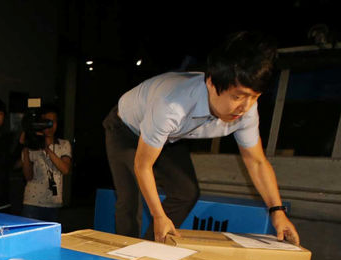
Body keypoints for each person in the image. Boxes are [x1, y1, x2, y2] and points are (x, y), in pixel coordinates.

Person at [103, 31, 300, 244]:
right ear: (211, 84)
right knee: (130, 201)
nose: (245, 107)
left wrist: (277, 211)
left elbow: (256, 161)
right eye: (237, 96)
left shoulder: (246, 110)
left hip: (169, 135)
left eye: (254, 97)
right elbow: (142, 165)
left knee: (186, 191)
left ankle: (152, 244)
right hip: (125, 129)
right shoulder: (172, 105)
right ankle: (124, 257)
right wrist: (158, 215)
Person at [21, 103, 72, 221]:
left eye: (53, 122)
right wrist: (25, 149)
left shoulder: (63, 144)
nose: (50, 126)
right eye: (46, 122)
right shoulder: (31, 145)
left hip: (53, 203)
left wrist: (46, 148)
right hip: (32, 203)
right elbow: (28, 176)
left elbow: (65, 169)